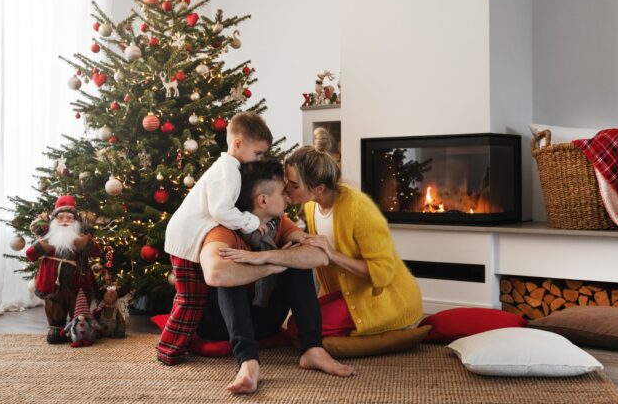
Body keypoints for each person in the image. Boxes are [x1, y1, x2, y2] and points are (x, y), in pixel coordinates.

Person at [202, 160, 355, 394]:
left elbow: (319, 255)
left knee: (295, 259)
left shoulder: (278, 223)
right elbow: (215, 273)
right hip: (221, 325)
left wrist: (266, 257)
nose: (288, 197)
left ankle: (312, 349)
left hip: (264, 322)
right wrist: (270, 267)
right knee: (230, 275)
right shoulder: (224, 230)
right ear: (262, 200)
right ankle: (248, 361)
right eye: (283, 192)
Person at [156, 112, 273, 365]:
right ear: (238, 143)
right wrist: (252, 222)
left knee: (190, 296)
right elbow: (221, 209)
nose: (258, 159)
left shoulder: (229, 168)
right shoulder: (227, 171)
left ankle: (173, 344)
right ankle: (168, 349)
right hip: (186, 239)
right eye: (258, 153)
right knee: (191, 298)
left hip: (187, 237)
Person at [283, 144, 423, 339]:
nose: (286, 189)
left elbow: (383, 272)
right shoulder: (311, 208)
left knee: (303, 329)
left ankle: (395, 326)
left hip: (385, 298)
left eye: (294, 185)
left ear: (319, 188)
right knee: (298, 322)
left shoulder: (358, 209)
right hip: (348, 292)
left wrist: (333, 255)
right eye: (286, 181)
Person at [25, 195, 100, 344]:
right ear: (54, 221)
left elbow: (96, 252)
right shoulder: (48, 239)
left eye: (69, 218)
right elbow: (30, 255)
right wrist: (43, 246)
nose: (65, 221)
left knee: (78, 306)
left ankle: (78, 327)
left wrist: (84, 245)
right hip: (53, 285)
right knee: (54, 304)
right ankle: (55, 327)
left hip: (77, 285)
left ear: (76, 221)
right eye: (60, 217)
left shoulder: (81, 238)